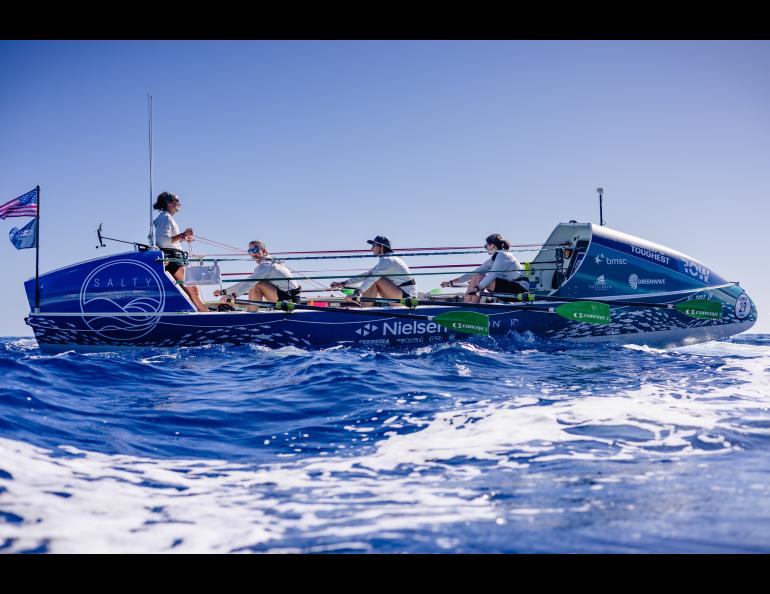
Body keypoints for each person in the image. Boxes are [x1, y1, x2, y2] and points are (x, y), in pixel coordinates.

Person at [153, 191, 208, 312]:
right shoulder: (165, 218)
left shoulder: (166, 218)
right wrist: (183, 235)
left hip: (175, 258)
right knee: (193, 289)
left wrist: (183, 238)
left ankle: (204, 312)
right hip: (174, 259)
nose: (180, 203)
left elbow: (169, 240)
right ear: (169, 202)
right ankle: (207, 314)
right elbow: (163, 241)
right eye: (177, 200)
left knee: (193, 289)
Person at [214, 240, 300, 311]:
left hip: (289, 301)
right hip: (284, 296)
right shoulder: (268, 263)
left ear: (264, 251)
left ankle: (250, 315)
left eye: (255, 250)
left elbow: (250, 283)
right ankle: (251, 312)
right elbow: (248, 282)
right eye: (250, 251)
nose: (253, 253)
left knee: (256, 284)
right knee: (255, 283)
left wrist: (233, 295)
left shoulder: (266, 265)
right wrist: (225, 292)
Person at [441, 234, 529, 303]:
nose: (485, 248)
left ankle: (472, 308)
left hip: (520, 291)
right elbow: (474, 273)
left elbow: (492, 274)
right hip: (511, 289)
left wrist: (478, 287)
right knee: (477, 276)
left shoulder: (503, 255)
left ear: (493, 245)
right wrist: (451, 282)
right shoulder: (495, 257)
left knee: (479, 278)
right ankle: (467, 304)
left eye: (486, 245)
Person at [330, 236, 416, 307]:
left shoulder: (389, 260)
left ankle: (364, 308)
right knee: (372, 277)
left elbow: (372, 278)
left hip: (406, 297)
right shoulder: (387, 260)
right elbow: (367, 275)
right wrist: (343, 283)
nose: (371, 249)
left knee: (375, 279)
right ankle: (364, 307)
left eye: (374, 245)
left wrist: (356, 293)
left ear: (381, 247)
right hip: (400, 295)